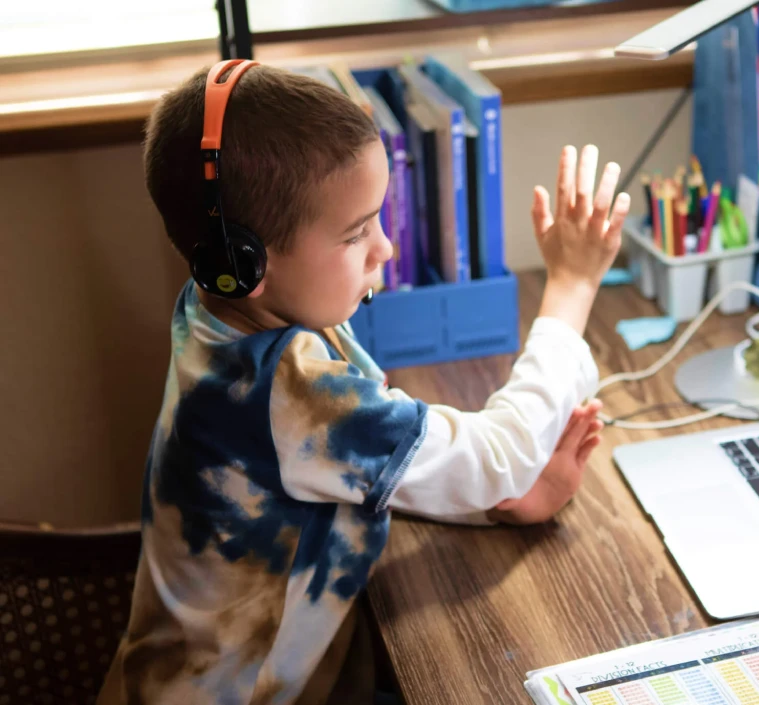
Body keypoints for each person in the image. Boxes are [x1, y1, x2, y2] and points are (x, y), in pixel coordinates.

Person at [98, 61, 630, 704]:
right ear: (242, 263)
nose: (386, 248)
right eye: (356, 234)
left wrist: (497, 501)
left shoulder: (218, 311)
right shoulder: (281, 388)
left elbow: (353, 462)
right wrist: (572, 287)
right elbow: (498, 455)